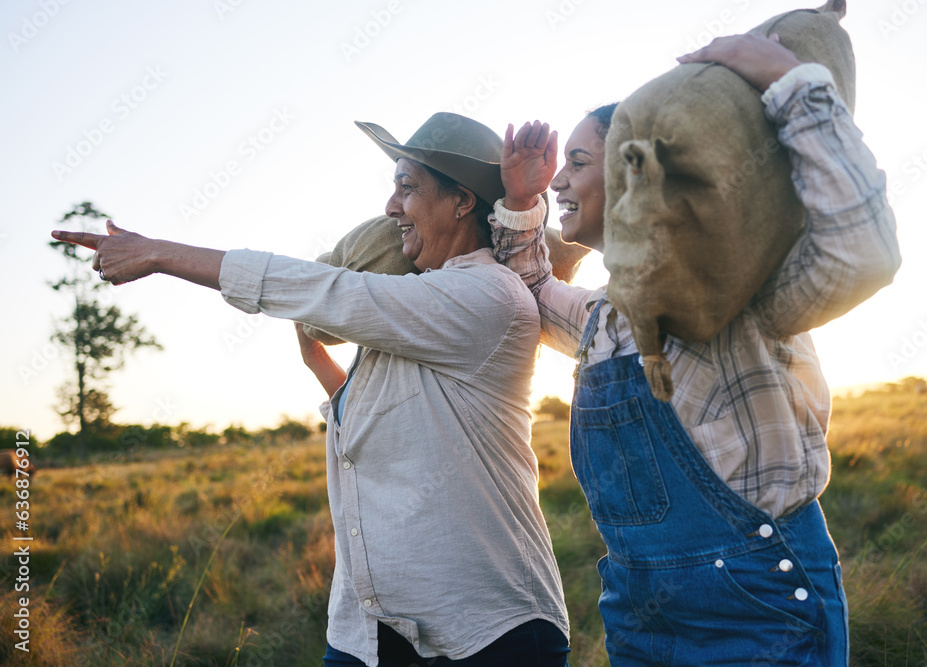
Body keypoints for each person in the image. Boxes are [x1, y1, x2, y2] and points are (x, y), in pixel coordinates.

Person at [52, 112, 571, 667]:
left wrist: (160, 253)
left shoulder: (487, 297)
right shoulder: (407, 320)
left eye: (407, 187)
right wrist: (324, 367)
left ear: (463, 202)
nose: (391, 206)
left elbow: (329, 290)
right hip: (365, 632)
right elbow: (394, 407)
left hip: (487, 630)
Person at [493, 35, 902, 665]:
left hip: (757, 604)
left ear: (633, 166)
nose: (561, 180)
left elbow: (863, 252)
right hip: (640, 614)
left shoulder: (728, 287)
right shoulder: (604, 316)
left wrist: (794, 82)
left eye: (577, 161)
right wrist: (524, 204)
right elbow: (533, 292)